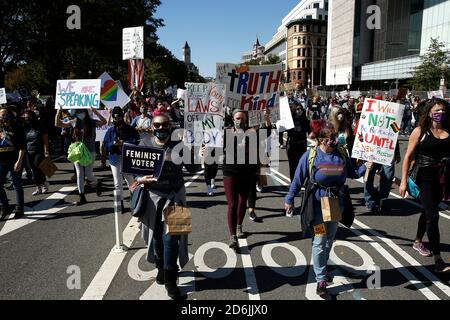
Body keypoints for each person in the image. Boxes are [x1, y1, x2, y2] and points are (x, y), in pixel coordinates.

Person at [284, 120, 370, 298]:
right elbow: (298, 179)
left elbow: (353, 173)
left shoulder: (341, 153)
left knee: (329, 238)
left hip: (334, 203)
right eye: (330, 137)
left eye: (335, 136)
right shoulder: (311, 155)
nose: (334, 140)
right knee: (320, 238)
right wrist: (289, 199)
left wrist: (366, 166)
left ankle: (321, 264)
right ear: (321, 139)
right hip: (316, 204)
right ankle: (321, 279)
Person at [132, 113, 192, 300]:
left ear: (170, 126)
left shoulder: (179, 145)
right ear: (151, 127)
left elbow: (192, 168)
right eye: (157, 125)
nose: (160, 128)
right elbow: (134, 170)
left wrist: (199, 155)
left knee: (172, 239)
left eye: (164, 124)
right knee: (156, 237)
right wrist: (139, 179)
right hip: (153, 197)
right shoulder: (144, 145)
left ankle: (171, 280)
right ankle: (160, 268)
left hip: (176, 195)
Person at [400, 98, 450, 273]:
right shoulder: (420, 131)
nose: (440, 114)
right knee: (433, 216)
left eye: (443, 111)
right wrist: (404, 181)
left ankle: (418, 241)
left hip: (443, 179)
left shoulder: (448, 131)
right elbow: (407, 157)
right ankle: (438, 260)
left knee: (428, 211)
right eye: (437, 110)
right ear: (429, 112)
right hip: (424, 178)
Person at [222, 110, 265, 251]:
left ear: (246, 120)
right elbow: (214, 147)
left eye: (242, 118)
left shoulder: (252, 132)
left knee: (242, 201)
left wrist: (267, 118)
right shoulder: (226, 132)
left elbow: (267, 134)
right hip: (230, 172)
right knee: (232, 204)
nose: (239, 120)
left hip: (247, 172)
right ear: (232, 119)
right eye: (237, 118)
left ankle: (239, 226)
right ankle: (232, 235)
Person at [55, 108, 106, 205]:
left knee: (88, 174)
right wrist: (59, 112)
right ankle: (82, 196)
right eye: (78, 112)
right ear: (75, 113)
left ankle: (97, 182)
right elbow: (57, 124)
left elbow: (104, 122)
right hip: (78, 152)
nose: (80, 114)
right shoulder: (74, 122)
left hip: (90, 151)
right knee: (79, 174)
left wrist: (95, 112)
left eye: (81, 111)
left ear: (85, 112)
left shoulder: (92, 122)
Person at [104, 107, 140, 211]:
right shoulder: (110, 131)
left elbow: (136, 141)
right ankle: (120, 205)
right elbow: (106, 145)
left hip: (127, 158)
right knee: (117, 183)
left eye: (119, 117)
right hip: (115, 158)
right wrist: (113, 143)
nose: (117, 119)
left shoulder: (130, 129)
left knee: (131, 181)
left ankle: (134, 203)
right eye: (115, 117)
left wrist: (124, 143)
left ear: (122, 116)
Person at [0, 107, 26, 220]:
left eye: (5, 114)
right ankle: (4, 206)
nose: (3, 116)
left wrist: (19, 162)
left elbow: (22, 147)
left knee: (17, 184)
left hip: (14, 160)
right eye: (1, 115)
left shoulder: (18, 128)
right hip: (1, 161)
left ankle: (20, 207)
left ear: (10, 115)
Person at [22, 110, 50, 196]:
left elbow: (45, 141)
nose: (26, 119)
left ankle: (44, 183)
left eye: (28, 117)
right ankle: (38, 187)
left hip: (39, 151)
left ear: (32, 117)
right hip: (29, 151)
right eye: (25, 118)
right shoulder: (25, 127)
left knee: (37, 167)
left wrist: (46, 151)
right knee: (34, 170)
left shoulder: (40, 127)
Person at [286, 101, 310, 181]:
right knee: (292, 165)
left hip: (302, 144)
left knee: (302, 164)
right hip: (292, 145)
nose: (300, 111)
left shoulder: (305, 120)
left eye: (301, 109)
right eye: (298, 109)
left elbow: (310, 133)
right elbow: (280, 129)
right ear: (294, 110)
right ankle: (293, 182)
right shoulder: (289, 120)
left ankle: (301, 180)